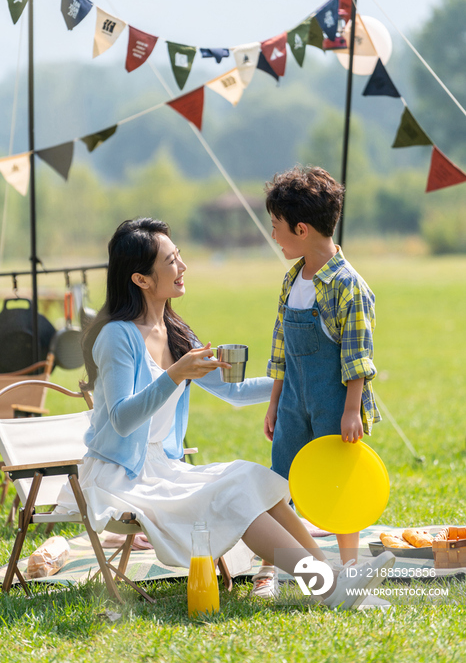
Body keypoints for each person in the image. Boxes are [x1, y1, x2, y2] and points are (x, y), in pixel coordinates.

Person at [56, 217, 393, 610]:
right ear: (141, 279)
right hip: (120, 477)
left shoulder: (175, 330)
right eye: (170, 262)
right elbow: (120, 419)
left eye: (179, 256)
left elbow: (232, 391)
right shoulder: (116, 336)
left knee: (250, 475)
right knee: (234, 497)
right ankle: (325, 588)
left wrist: (306, 381)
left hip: (161, 469)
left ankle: (331, 582)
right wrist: (174, 375)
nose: (182, 268)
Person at [254, 166, 383, 599]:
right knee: (276, 484)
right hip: (293, 402)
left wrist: (351, 411)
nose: (275, 236)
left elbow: (358, 356)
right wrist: (274, 403)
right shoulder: (292, 279)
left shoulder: (349, 286)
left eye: (277, 227)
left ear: (302, 229)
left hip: (334, 403)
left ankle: (349, 569)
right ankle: (269, 571)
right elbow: (280, 351)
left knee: (339, 485)